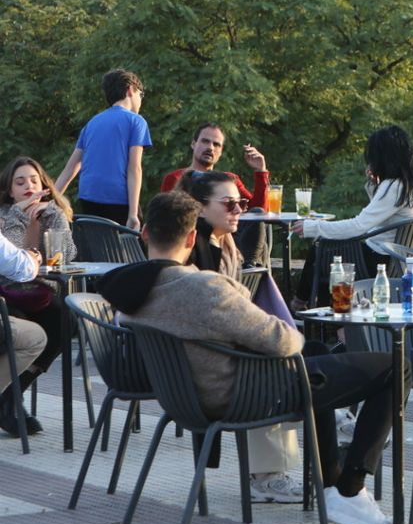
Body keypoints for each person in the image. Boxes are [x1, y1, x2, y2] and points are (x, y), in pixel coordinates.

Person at [98, 191, 398, 524]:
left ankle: (331, 482)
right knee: (394, 366)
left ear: (146, 233)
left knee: (315, 351)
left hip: (183, 398)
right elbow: (284, 340)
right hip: (245, 397)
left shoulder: (126, 292)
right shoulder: (203, 288)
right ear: (193, 236)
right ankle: (350, 486)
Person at [180, 171, 304, 504]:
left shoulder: (226, 246)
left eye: (242, 203)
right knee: (277, 364)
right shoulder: (195, 254)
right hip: (206, 373)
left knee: (301, 354)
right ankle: (269, 475)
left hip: (222, 356)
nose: (239, 210)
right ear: (200, 208)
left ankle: (330, 425)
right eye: (230, 204)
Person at [291, 125, 413, 307]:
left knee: (321, 249)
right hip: (401, 262)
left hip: (380, 260)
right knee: (326, 252)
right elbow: (382, 216)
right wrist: (374, 184)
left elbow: (359, 225)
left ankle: (301, 306)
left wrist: (312, 227)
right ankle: (320, 317)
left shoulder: (394, 186)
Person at [55, 68, 152, 229]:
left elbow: (71, 168)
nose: (141, 100)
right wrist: (133, 214)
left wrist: (51, 202)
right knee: (132, 250)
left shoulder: (92, 123)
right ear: (130, 90)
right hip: (118, 200)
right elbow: (134, 168)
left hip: (88, 199)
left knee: (99, 247)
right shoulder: (136, 121)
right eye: (140, 94)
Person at [0, 181, 51, 438]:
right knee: (34, 333)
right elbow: (16, 265)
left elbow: (66, 252)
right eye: (20, 182)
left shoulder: (52, 214)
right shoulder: (5, 214)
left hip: (34, 291)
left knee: (62, 315)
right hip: (9, 295)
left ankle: (11, 395)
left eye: (34, 181)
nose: (29, 187)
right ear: (10, 190)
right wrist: (15, 217)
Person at [160, 123, 271, 209]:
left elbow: (259, 212)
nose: (210, 148)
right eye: (205, 141)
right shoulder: (175, 178)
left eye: (216, 144)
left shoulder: (230, 180)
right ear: (193, 144)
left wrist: (260, 171)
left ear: (221, 151)